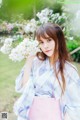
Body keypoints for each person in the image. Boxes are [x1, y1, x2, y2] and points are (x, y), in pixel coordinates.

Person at [13, 23, 80, 120]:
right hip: (32, 114)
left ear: (59, 40)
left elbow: (75, 105)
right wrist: (29, 61)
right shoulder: (36, 63)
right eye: (41, 42)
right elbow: (24, 88)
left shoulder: (69, 70)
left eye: (49, 40)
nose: (45, 46)